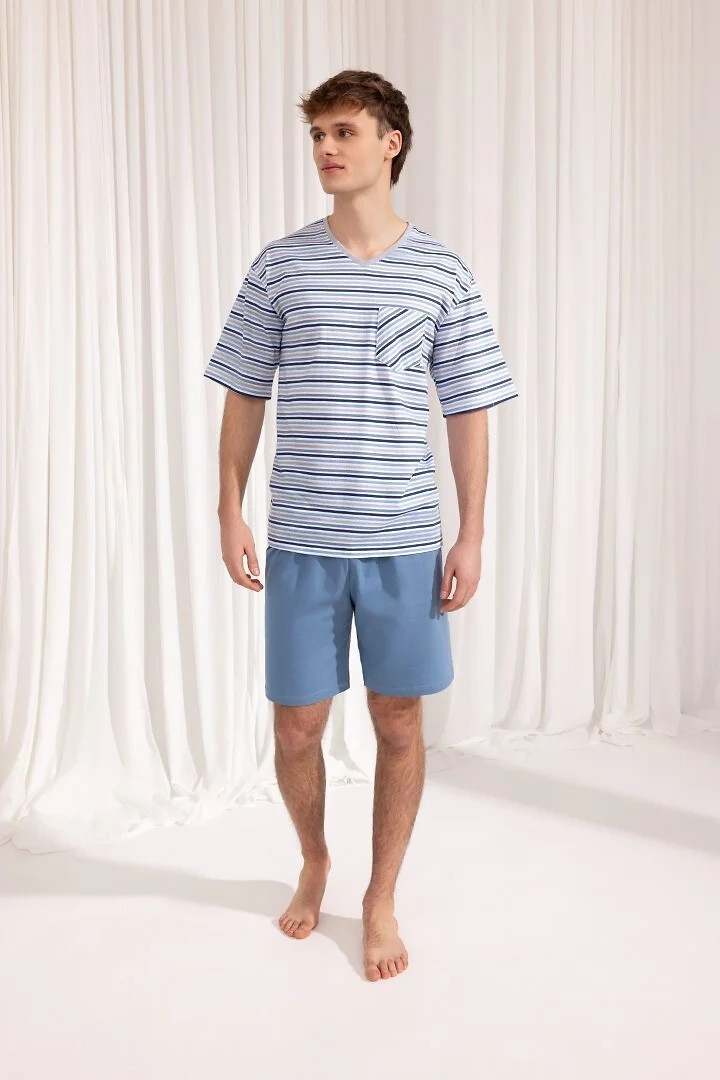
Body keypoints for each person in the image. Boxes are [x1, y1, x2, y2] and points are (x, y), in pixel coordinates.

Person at [204, 70, 519, 981]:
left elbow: (468, 409)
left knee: (400, 721)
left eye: (343, 131)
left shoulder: (442, 272)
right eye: (317, 135)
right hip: (302, 540)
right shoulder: (281, 266)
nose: (326, 149)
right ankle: (315, 860)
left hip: (404, 542)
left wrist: (472, 533)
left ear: (391, 142)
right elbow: (244, 394)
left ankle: (380, 896)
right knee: (297, 726)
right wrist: (228, 507)